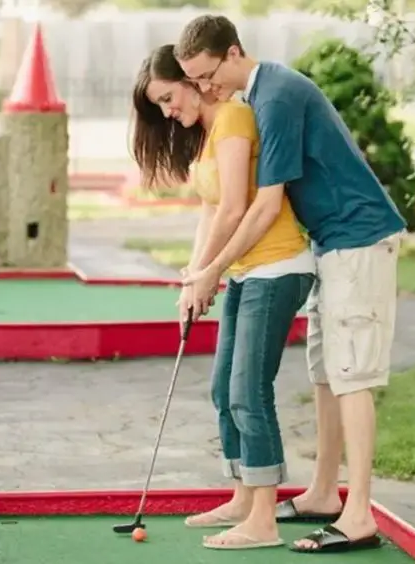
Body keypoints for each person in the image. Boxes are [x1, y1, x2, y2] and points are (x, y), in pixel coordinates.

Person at [174, 15, 406, 554]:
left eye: (207, 76)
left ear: (232, 53)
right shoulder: (259, 95)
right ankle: (325, 493)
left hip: (360, 238)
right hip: (331, 242)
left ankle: (359, 514)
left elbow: (263, 208)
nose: (205, 89)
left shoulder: (274, 97)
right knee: (327, 372)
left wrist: (211, 270)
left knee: (352, 376)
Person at [131, 44, 315, 550]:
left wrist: (208, 272)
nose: (169, 112)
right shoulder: (211, 134)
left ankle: (263, 518)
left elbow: (237, 207)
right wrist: (194, 276)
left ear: (193, 81)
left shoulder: (234, 116)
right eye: (161, 106)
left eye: (170, 98)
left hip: (277, 266)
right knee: (222, 390)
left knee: (248, 392)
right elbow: (210, 213)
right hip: (244, 272)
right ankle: (241, 495)